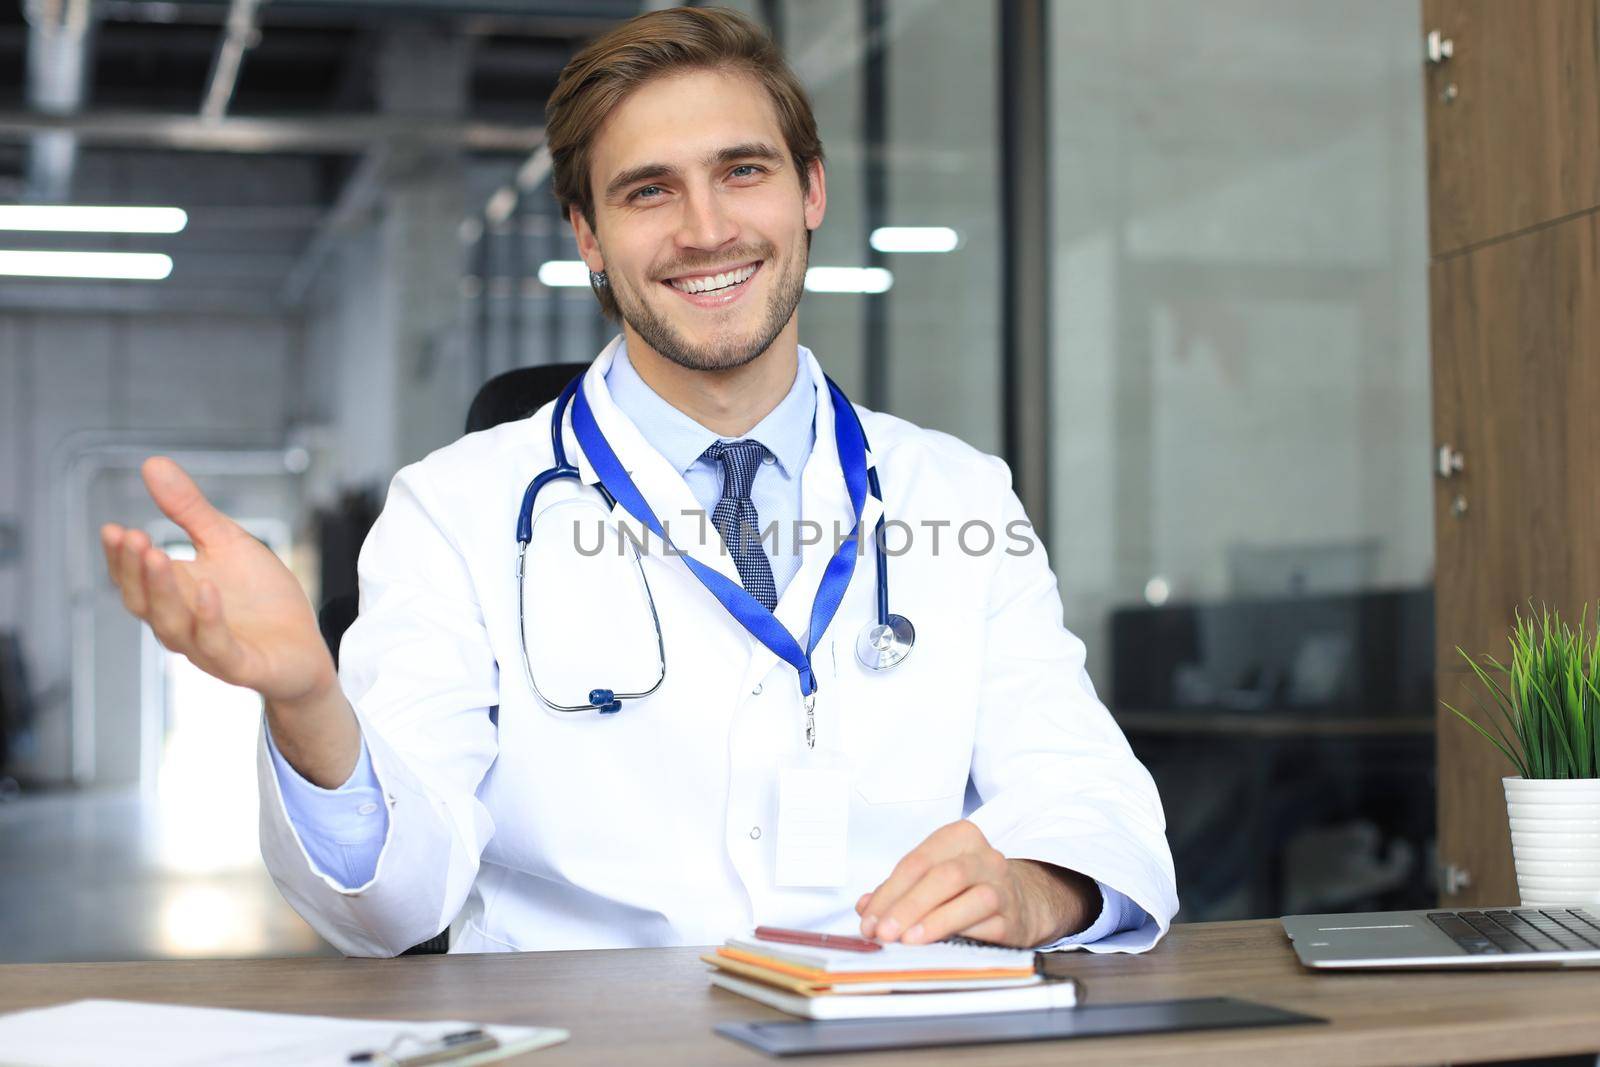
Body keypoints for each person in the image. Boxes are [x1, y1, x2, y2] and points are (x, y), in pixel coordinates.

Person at [99, 6, 1177, 957]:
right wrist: (307, 704)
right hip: (589, 1040)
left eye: (742, 170)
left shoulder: (959, 494)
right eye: (648, 191)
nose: (706, 229)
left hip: (901, 1031)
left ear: (810, 191)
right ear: (589, 239)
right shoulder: (457, 508)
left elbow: (1084, 792)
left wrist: (1038, 889)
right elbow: (391, 901)